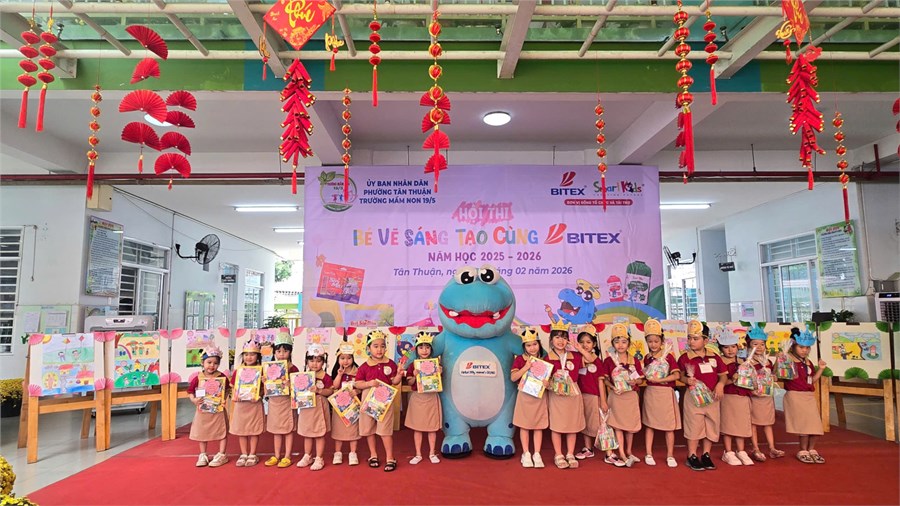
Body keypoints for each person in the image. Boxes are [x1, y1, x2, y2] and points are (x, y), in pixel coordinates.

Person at [677, 320, 727, 471]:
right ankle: (692, 455)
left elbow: (723, 375)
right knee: (694, 425)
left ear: (705, 340)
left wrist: (720, 385)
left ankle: (706, 454)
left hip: (712, 396)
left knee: (711, 424)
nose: (691, 341)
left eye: (695, 338)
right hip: (694, 398)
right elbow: (680, 375)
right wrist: (687, 380)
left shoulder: (715, 357)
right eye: (689, 338)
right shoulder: (685, 357)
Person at [355, 330, 404, 472]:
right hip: (368, 401)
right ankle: (373, 455)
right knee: (369, 429)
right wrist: (368, 383)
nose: (379, 349)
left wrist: (399, 374)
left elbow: (394, 381)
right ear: (368, 348)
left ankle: (390, 457)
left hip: (385, 402)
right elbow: (357, 384)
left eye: (382, 346)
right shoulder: (364, 366)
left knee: (385, 430)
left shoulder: (391, 364)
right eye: (375, 346)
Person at [781, 329, 827, 464]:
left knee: (815, 425)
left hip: (809, 395)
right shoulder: (788, 360)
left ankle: (812, 449)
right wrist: (781, 359)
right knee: (804, 426)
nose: (805, 350)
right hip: (795, 395)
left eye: (807, 348)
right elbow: (780, 374)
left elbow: (811, 380)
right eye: (801, 347)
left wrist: (821, 369)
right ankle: (803, 450)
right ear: (793, 346)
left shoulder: (808, 362)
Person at [602, 323, 643, 468]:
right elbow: (605, 379)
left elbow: (640, 379)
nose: (620, 345)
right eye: (617, 341)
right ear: (612, 343)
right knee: (618, 425)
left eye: (624, 342)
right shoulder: (608, 360)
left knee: (630, 425)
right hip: (616, 396)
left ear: (629, 343)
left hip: (630, 396)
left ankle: (629, 451)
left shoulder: (633, 360)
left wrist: (635, 381)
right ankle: (621, 453)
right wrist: (612, 387)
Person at [641, 318, 680, 468]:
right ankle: (648, 453)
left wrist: (660, 380)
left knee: (669, 426)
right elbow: (645, 374)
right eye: (650, 341)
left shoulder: (668, 356)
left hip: (665, 393)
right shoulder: (647, 358)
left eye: (656, 341)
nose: (653, 344)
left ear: (662, 341)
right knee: (649, 424)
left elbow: (676, 375)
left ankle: (670, 455)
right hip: (651, 393)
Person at [545, 321, 585, 469]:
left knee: (572, 424)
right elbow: (544, 378)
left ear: (568, 339)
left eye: (563, 337)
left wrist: (579, 348)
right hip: (556, 393)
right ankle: (558, 454)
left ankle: (570, 453)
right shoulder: (547, 358)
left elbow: (592, 361)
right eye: (557, 337)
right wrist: (547, 384)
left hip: (573, 393)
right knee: (557, 424)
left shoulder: (576, 356)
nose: (560, 341)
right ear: (551, 340)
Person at [511, 328, 550, 468]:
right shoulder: (520, 359)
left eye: (534, 344)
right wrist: (525, 367)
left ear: (539, 344)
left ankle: (537, 453)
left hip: (539, 396)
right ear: (524, 347)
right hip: (525, 396)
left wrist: (548, 383)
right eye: (528, 345)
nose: (532, 348)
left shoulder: (545, 360)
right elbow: (513, 377)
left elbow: (550, 380)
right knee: (525, 425)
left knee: (538, 426)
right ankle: (526, 453)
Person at [745, 327, 784, 462]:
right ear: (749, 345)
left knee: (768, 422)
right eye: (755, 344)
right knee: (753, 423)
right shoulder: (747, 362)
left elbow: (774, 376)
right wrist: (752, 389)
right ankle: (755, 448)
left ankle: (772, 448)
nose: (759, 347)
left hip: (767, 396)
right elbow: (745, 380)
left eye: (762, 344)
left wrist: (778, 365)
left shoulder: (767, 361)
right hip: (754, 396)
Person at [404, 331, 443, 465]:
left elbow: (440, 381)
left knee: (432, 428)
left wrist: (439, 372)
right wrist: (415, 375)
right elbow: (409, 382)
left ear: (431, 349)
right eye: (421, 347)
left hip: (431, 397)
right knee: (418, 428)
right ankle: (418, 454)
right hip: (418, 398)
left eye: (427, 347)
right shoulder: (413, 365)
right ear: (416, 349)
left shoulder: (436, 363)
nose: (424, 350)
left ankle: (432, 453)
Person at [188, 345, 229, 468]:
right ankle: (203, 454)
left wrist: (224, 399)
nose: (212, 365)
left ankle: (222, 453)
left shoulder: (221, 377)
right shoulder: (198, 378)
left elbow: (227, 390)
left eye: (215, 363)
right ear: (202, 363)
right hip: (203, 410)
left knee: (222, 431)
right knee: (202, 431)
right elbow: (190, 391)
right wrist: (194, 400)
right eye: (209, 362)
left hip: (218, 410)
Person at [718, 330, 754, 466]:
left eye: (733, 346)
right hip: (728, 397)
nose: (730, 350)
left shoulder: (743, 362)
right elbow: (718, 383)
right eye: (726, 347)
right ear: (721, 349)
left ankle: (741, 451)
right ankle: (728, 452)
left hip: (743, 396)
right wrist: (732, 379)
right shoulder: (720, 362)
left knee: (741, 425)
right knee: (728, 425)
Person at [296, 344, 334, 471]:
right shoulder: (303, 376)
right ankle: (307, 455)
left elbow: (330, 391)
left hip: (319, 407)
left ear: (323, 362)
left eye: (318, 361)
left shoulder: (325, 377)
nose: (314, 364)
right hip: (307, 407)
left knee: (319, 433)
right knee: (307, 432)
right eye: (311, 360)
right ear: (306, 361)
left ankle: (319, 457)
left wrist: (319, 390)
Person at [265, 334, 300, 468]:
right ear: (274, 352)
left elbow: (299, 388)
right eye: (278, 351)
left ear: (290, 352)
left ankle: (287, 456)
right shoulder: (269, 369)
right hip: (274, 403)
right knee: (276, 430)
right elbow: (266, 389)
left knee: (288, 430)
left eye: (285, 351)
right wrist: (264, 382)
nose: (281, 354)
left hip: (287, 403)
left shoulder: (293, 369)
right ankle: (276, 455)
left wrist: (290, 384)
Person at [231, 341, 265, 467]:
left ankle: (252, 454)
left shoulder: (261, 371)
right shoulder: (238, 371)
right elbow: (233, 387)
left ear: (258, 356)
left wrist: (260, 395)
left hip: (254, 404)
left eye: (252, 354)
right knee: (242, 430)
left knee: (254, 429)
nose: (249, 357)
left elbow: (264, 388)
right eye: (246, 354)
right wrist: (235, 396)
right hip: (241, 405)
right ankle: (244, 453)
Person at [575, 327, 606, 461]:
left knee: (599, 423)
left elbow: (601, 382)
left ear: (594, 344)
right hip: (580, 395)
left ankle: (608, 450)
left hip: (594, 396)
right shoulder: (577, 359)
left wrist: (603, 400)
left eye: (588, 342)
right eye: (581, 342)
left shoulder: (597, 360)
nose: (585, 345)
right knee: (585, 421)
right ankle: (588, 448)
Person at [330, 342, 361, 466]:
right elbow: (335, 386)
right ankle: (338, 453)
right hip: (339, 407)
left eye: (349, 358)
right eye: (342, 358)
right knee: (339, 430)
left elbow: (360, 386)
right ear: (338, 359)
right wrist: (339, 374)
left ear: (353, 358)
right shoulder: (337, 372)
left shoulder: (358, 371)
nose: (346, 361)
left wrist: (357, 391)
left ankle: (353, 453)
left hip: (353, 406)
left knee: (353, 430)